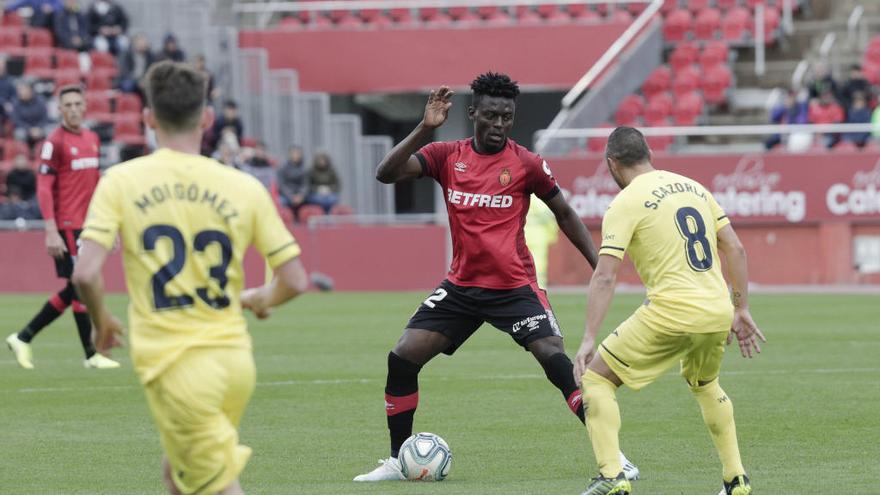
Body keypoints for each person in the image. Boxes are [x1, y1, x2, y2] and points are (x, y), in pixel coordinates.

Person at [353, 73, 638, 483]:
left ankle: (616, 458)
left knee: (556, 362)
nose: (500, 124)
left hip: (514, 286)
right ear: (473, 113)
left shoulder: (526, 163)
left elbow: (565, 214)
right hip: (462, 287)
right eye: (491, 115)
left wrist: (600, 265)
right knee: (401, 358)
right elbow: (385, 173)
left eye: (507, 116)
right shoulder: (446, 154)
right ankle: (400, 461)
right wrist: (424, 128)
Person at [71, 60, 309, 495]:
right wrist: (259, 298)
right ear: (207, 118)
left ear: (147, 118)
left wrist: (100, 320)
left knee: (217, 486)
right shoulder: (243, 186)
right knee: (178, 476)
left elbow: (85, 272)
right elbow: (294, 279)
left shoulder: (120, 181)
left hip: (177, 367)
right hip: (234, 363)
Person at [572, 127, 765, 495]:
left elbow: (605, 277)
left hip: (671, 312)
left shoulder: (625, 202)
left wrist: (587, 339)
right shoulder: (694, 188)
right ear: (649, 155)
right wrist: (741, 309)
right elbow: (736, 250)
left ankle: (613, 477)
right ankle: (736, 478)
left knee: (596, 380)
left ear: (613, 164)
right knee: (706, 384)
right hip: (716, 310)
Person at [6, 85, 121, 370]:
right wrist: (50, 229)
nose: (72, 109)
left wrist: (107, 224)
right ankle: (90, 354)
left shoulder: (92, 139)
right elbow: (44, 187)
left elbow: (96, 185)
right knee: (79, 287)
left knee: (74, 288)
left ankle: (23, 337)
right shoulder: (54, 142)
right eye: (66, 104)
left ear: (84, 107)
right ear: (59, 109)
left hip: (89, 224)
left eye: (77, 103)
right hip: (67, 225)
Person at [11, 80, 48, 149]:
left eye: (22, 90)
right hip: (24, 129)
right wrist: (29, 129)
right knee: (19, 134)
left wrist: (38, 128)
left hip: (39, 128)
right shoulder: (15, 102)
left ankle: (46, 155)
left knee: (50, 131)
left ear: (30, 90)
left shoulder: (40, 101)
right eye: (19, 90)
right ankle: (23, 155)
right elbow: (16, 120)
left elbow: (45, 117)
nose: (20, 92)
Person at [277, 145, 309, 221]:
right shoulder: (283, 168)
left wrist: (301, 195)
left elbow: (306, 185)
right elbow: (282, 185)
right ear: (290, 155)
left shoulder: (305, 169)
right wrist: (291, 197)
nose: (296, 156)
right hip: (287, 195)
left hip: (300, 196)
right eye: (294, 153)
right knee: (281, 201)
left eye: (298, 154)